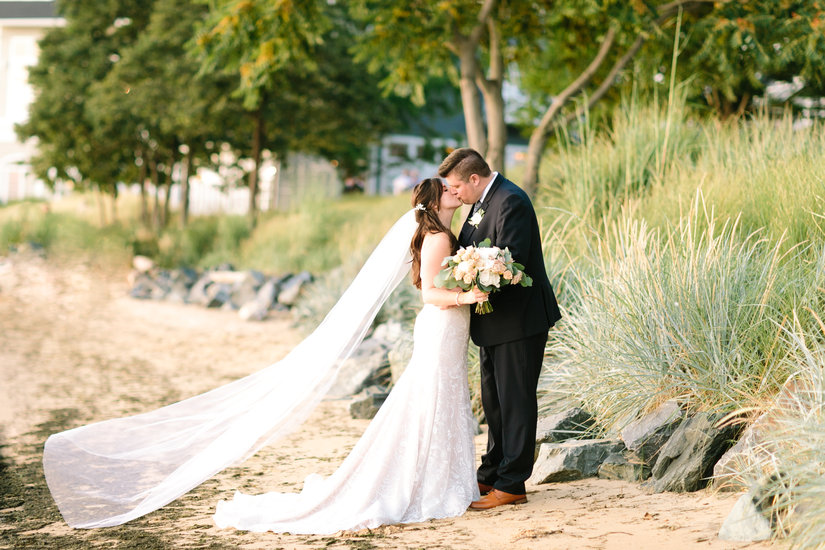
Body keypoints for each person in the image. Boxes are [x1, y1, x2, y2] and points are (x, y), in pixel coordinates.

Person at [42, 178, 488, 532]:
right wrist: (468, 295)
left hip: (445, 332)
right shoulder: (436, 238)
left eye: (456, 187)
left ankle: (444, 481)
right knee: (426, 402)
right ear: (434, 201)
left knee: (436, 402)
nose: (456, 190)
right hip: (441, 324)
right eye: (448, 189)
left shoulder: (442, 233)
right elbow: (431, 293)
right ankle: (431, 485)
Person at [438, 148, 562, 510]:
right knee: (495, 403)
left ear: (475, 179)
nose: (455, 193)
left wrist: (473, 271)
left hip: (519, 319)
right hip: (492, 321)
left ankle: (512, 484)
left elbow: (512, 260)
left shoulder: (511, 201)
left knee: (516, 401)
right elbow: (471, 250)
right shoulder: (478, 203)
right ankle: (491, 472)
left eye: (458, 186)